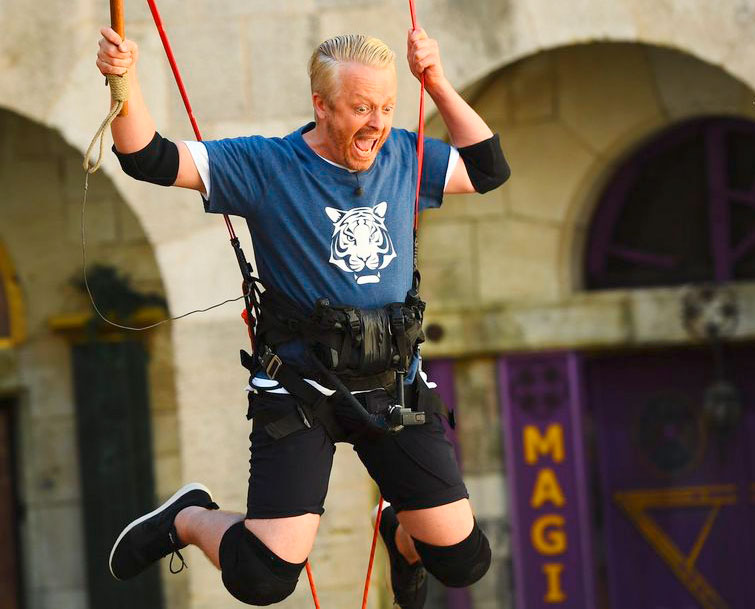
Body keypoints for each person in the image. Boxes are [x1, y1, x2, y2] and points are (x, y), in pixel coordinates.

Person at [96, 24, 509, 608]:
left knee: (464, 561)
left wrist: (436, 83)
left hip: (394, 384)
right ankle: (188, 518)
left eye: (388, 106)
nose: (378, 123)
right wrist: (124, 80)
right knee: (262, 579)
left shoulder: (403, 155)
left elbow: (489, 168)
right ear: (321, 104)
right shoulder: (268, 165)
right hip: (301, 391)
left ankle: (400, 534)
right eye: (362, 107)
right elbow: (147, 157)